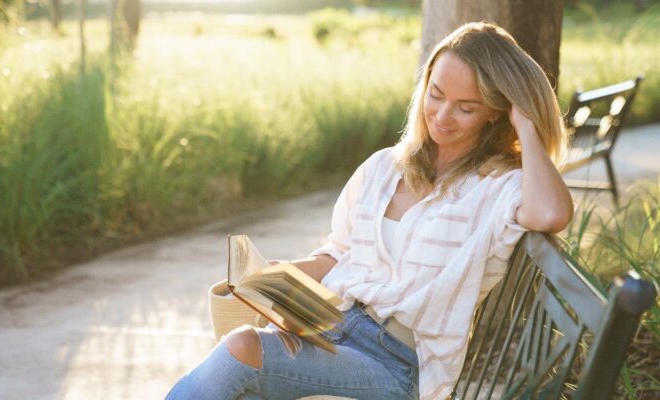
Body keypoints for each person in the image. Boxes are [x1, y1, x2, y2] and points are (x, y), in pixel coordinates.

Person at [166, 21, 573, 400]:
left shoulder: (498, 187)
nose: (443, 116)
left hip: (394, 365)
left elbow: (552, 214)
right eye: (436, 94)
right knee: (241, 376)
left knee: (242, 347)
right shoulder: (383, 168)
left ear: (495, 112)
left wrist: (526, 127)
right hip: (327, 327)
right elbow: (338, 253)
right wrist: (276, 278)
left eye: (466, 107)